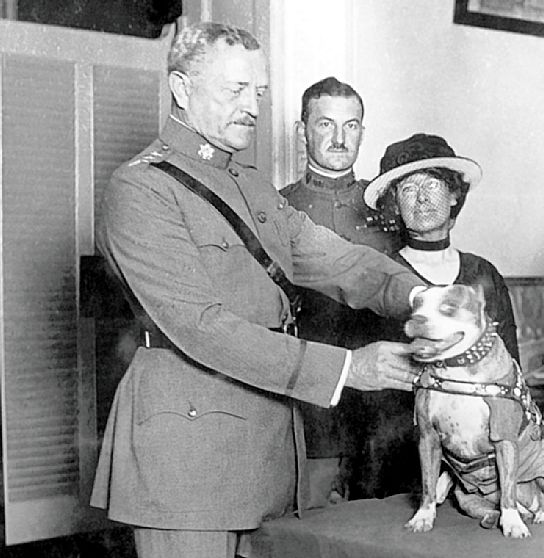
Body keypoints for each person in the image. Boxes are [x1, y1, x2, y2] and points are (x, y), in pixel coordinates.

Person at [89, 22, 425, 558]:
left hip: (267, 452)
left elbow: (334, 257)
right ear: (181, 89)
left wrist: (420, 297)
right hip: (188, 468)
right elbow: (203, 329)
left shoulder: (252, 185)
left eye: (260, 92)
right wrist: (348, 369)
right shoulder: (140, 189)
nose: (252, 106)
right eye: (235, 90)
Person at [361, 132, 520, 497]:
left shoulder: (483, 275)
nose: (421, 197)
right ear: (394, 204)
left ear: (453, 195)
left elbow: (511, 377)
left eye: (432, 184)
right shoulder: (378, 276)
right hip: (398, 464)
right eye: (407, 188)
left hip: (479, 470)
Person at [280, 77, 403, 505]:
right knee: (312, 526)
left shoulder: (389, 210)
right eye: (326, 124)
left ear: (363, 133)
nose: (338, 138)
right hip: (312, 404)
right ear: (302, 131)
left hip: (385, 406)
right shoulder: (277, 210)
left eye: (350, 126)